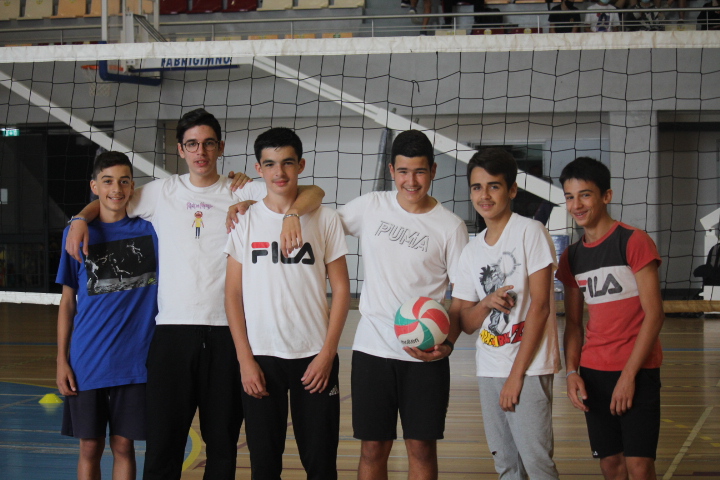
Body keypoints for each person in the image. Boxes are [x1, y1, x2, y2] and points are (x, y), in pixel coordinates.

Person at [63, 108, 325, 480]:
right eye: (192, 144)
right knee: (163, 446)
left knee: (222, 446)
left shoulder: (244, 189)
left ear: (220, 147)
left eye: (208, 143)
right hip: (171, 334)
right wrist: (79, 218)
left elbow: (313, 191)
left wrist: (291, 214)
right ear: (181, 149)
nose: (200, 152)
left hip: (227, 334)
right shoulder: (161, 192)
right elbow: (112, 200)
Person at [338, 129, 469, 480]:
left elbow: (462, 297)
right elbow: (322, 223)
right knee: (372, 448)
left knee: (422, 449)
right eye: (403, 171)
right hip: (372, 349)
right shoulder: (371, 206)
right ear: (391, 170)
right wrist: (272, 207)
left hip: (426, 353)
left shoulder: (451, 227)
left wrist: (448, 343)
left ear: (434, 171)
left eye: (420, 171)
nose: (411, 181)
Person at [224, 127, 350, 479]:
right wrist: (245, 360)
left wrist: (327, 355)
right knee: (264, 467)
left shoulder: (325, 218)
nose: (279, 172)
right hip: (261, 359)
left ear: (301, 165)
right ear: (258, 169)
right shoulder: (245, 220)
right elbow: (232, 294)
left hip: (315, 357)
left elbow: (342, 290)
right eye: (270, 164)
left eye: (287, 163)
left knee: (321, 466)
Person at [451, 148, 561, 479]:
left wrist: (516, 375)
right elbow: (466, 323)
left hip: (528, 368)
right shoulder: (471, 251)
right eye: (477, 187)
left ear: (512, 190)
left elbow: (541, 307)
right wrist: (486, 303)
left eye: (494, 186)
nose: (484, 195)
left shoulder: (530, 232)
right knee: (507, 467)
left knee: (537, 464)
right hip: (489, 368)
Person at [556, 157, 664, 480]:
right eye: (570, 197)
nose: (576, 205)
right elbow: (573, 324)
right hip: (594, 372)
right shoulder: (572, 256)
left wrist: (629, 376)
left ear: (606, 196)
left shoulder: (633, 241)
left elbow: (655, 315)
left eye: (585, 195)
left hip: (637, 369)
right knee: (610, 465)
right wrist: (571, 372)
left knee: (639, 467)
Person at [57, 151, 158, 480]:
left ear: (132, 187)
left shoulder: (152, 231)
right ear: (94, 187)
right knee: (89, 447)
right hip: (87, 360)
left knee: (124, 446)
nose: (116, 189)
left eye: (124, 181)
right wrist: (61, 361)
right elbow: (67, 302)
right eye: (108, 181)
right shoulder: (75, 235)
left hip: (136, 361)